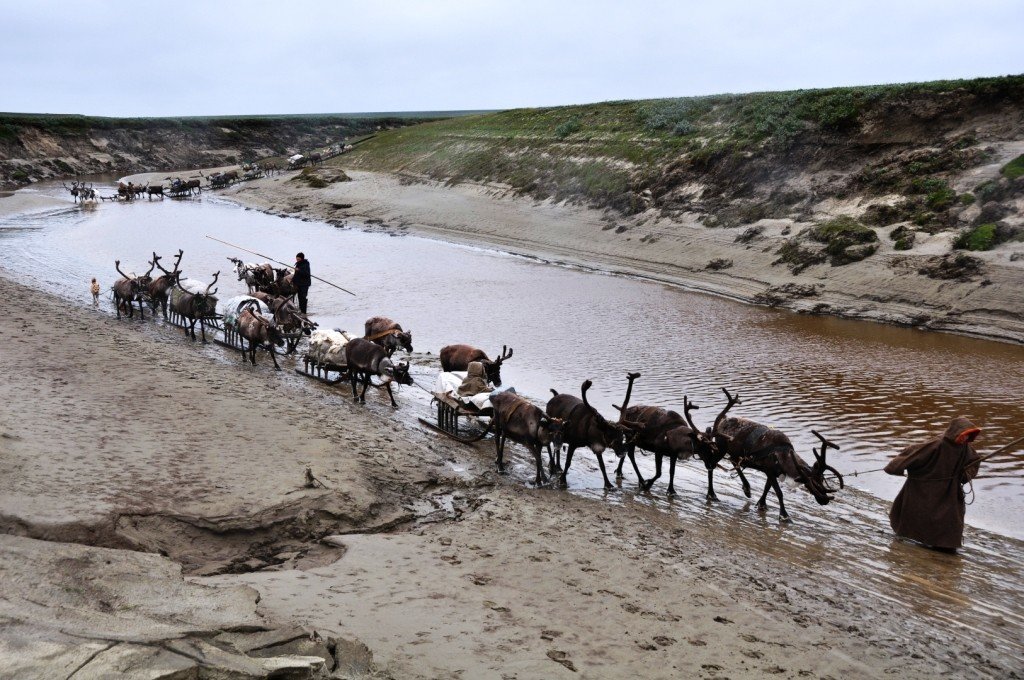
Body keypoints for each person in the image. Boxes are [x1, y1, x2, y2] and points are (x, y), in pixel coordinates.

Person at [884, 416, 983, 552]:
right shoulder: (937, 444)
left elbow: (974, 463)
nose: (965, 439)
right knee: (921, 514)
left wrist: (964, 474)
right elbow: (913, 453)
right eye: (964, 435)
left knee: (950, 519)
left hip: (949, 491)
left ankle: (946, 546)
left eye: (968, 436)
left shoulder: (966, 449)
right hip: (925, 488)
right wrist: (896, 466)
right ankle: (916, 539)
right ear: (956, 432)